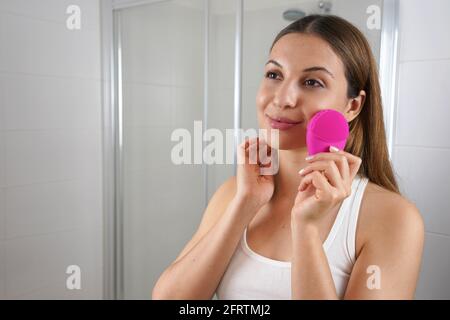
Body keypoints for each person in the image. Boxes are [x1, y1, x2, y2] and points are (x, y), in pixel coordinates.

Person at [152, 14, 424, 300]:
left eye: (312, 82)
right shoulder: (234, 193)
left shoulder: (392, 218)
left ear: (353, 105)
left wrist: (306, 230)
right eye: (274, 75)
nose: (283, 98)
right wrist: (245, 204)